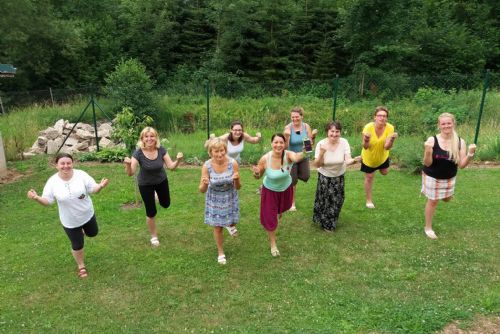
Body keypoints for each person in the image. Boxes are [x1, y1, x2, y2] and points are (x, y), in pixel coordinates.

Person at [27, 153, 109, 278]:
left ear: (72, 163)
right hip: (70, 220)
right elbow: (48, 201)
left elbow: (93, 189)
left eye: (68, 163)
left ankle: (83, 231)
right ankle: (81, 265)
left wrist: (100, 186)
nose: (66, 166)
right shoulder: (52, 182)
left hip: (87, 214)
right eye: (62, 163)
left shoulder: (81, 175)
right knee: (77, 245)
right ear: (56, 165)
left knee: (93, 233)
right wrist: (36, 198)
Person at [124, 127, 183, 247]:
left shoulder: (161, 150)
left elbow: (171, 167)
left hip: (161, 181)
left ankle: (156, 194)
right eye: (146, 136)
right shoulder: (138, 153)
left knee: (166, 204)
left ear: (156, 138)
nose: (149, 139)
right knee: (151, 212)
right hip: (145, 184)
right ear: (142, 139)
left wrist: (178, 160)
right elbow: (130, 173)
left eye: (152, 136)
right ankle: (154, 236)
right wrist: (128, 165)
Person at [421, 113, 476, 239]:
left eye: (449, 123)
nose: (446, 126)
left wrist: (470, 154)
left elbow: (461, 165)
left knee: (446, 199)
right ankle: (428, 227)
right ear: (439, 125)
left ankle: (446, 195)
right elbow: (427, 163)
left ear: (453, 124)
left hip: (449, 177)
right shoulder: (432, 140)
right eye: (443, 123)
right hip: (432, 176)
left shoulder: (460, 142)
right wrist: (428, 151)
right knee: (433, 201)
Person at [251, 133, 305, 257]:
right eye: (276, 142)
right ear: (271, 144)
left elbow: (297, 158)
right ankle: (273, 244)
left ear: (285, 144)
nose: (278, 145)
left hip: (285, 189)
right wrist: (256, 173)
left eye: (281, 142)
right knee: (271, 218)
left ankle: (278, 211)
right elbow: (258, 176)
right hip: (270, 191)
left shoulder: (288, 155)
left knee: (281, 210)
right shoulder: (265, 158)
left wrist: (305, 150)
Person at [199, 139, 241, 265]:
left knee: (231, 221)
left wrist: (237, 179)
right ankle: (220, 252)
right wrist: (204, 184)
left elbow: (238, 187)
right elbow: (201, 190)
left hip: (229, 197)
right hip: (215, 199)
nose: (219, 154)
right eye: (216, 151)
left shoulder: (232, 163)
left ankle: (231, 225)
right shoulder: (207, 166)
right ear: (210, 152)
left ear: (225, 150)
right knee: (218, 227)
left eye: (221, 150)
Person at [313, 121, 361, 232]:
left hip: (339, 176)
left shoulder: (344, 142)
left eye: (337, 131)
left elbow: (347, 160)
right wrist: (321, 153)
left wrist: (354, 160)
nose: (334, 134)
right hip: (325, 176)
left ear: (340, 132)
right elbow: (317, 164)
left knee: (337, 200)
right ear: (327, 132)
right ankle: (327, 224)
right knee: (325, 200)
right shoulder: (321, 144)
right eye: (332, 131)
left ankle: (331, 220)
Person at [360, 106, 398, 209]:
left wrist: (392, 140)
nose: (382, 118)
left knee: (384, 172)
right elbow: (365, 146)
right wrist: (367, 140)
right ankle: (368, 200)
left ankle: (379, 167)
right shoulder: (368, 127)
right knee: (369, 177)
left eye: (384, 116)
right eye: (379, 115)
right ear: (375, 117)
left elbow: (386, 147)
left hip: (382, 156)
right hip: (369, 157)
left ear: (387, 118)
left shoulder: (390, 128)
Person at [283, 106, 317, 211]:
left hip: (303, 156)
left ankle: (287, 178)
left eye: (297, 117)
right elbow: (284, 147)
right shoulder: (288, 128)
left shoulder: (306, 127)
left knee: (306, 176)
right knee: (293, 182)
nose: (294, 119)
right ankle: (292, 203)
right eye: (292, 117)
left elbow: (309, 145)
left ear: (302, 116)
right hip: (291, 157)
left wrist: (313, 138)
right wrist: (287, 137)